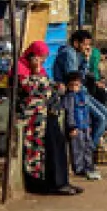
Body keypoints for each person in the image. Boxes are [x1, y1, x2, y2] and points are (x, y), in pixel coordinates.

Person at [16, 41, 82, 197]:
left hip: (47, 113)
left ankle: (62, 182)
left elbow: (48, 85)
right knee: (44, 150)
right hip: (34, 117)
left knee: (58, 145)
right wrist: (36, 71)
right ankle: (52, 184)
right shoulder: (21, 68)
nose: (43, 60)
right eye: (41, 57)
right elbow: (30, 88)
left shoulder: (39, 69)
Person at [56, 30, 107, 145]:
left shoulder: (77, 54)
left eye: (88, 45)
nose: (87, 47)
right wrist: (85, 63)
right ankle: (89, 147)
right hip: (74, 94)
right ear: (76, 43)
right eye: (85, 44)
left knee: (106, 114)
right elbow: (74, 78)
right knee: (101, 118)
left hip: (81, 91)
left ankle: (89, 146)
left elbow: (82, 74)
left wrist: (86, 60)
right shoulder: (69, 53)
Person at [59, 71, 101, 181]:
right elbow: (70, 113)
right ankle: (79, 168)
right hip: (76, 127)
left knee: (87, 146)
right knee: (77, 148)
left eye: (77, 85)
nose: (74, 88)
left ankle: (88, 165)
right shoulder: (69, 97)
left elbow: (86, 112)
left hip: (85, 126)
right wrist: (72, 127)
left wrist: (89, 124)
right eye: (72, 85)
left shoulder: (83, 96)